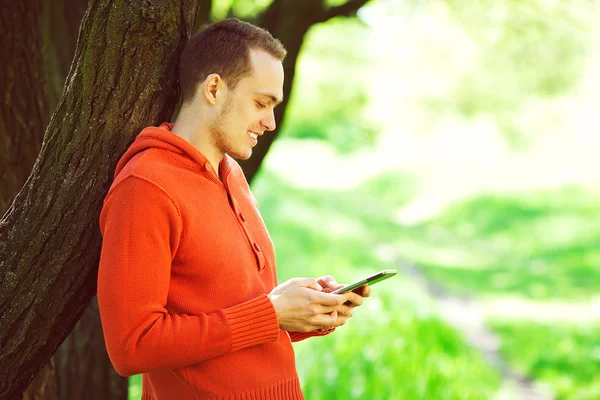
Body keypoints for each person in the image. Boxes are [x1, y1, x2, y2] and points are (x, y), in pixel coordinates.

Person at [97, 18, 370, 400]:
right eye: (261, 103)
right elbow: (133, 345)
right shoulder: (146, 187)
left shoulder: (232, 174)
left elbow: (230, 315)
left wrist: (304, 312)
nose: (271, 122)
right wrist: (272, 313)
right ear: (213, 88)